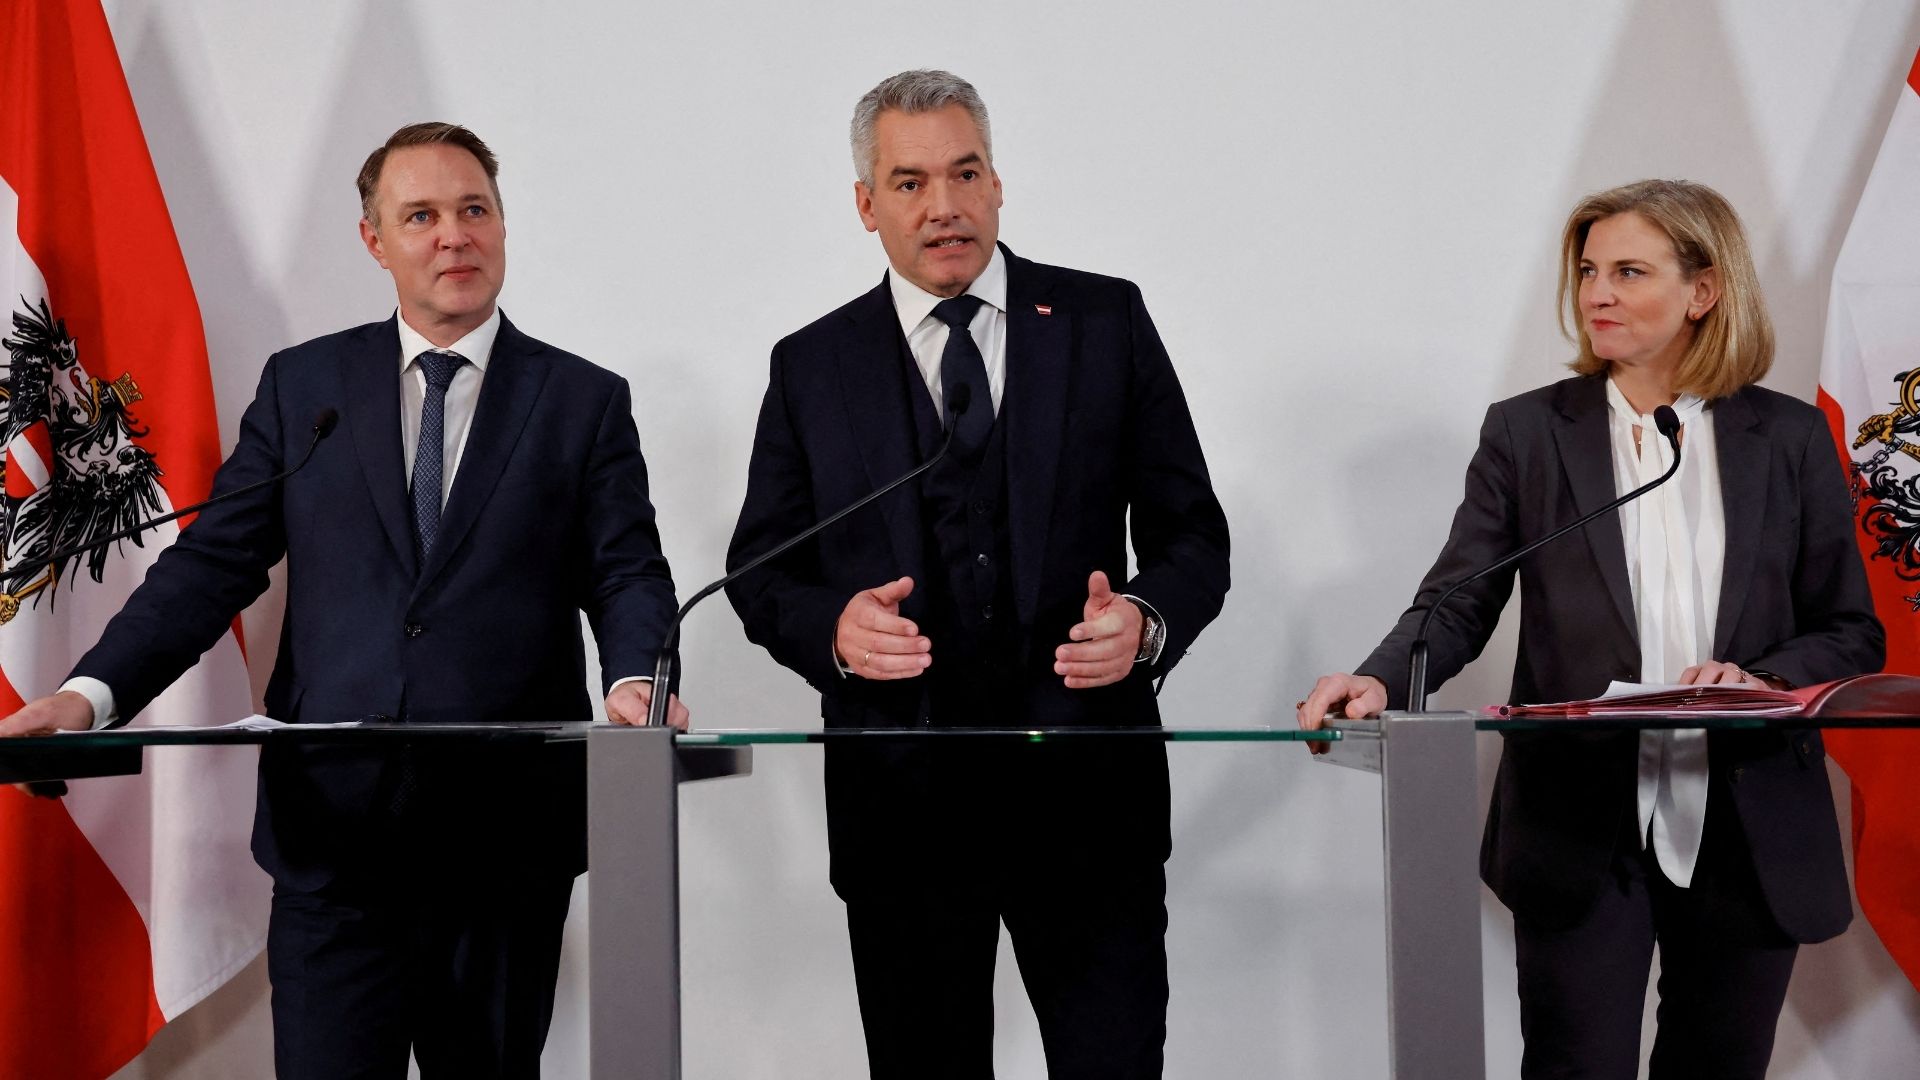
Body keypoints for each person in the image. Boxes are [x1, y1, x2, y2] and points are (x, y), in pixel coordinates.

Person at [0, 122, 686, 1079]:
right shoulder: (305, 390)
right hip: (334, 847)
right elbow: (211, 569)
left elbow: (626, 573)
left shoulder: (582, 401)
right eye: (423, 216)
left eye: (474, 209)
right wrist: (88, 697)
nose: (455, 235)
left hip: (502, 850)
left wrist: (634, 681)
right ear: (375, 241)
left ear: (502, 225)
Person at [1298, 179, 1883, 1078]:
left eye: (1629, 271)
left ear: (1703, 290)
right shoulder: (1531, 433)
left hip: (1749, 820)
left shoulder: (1793, 438)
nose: (1597, 294)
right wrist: (1383, 677)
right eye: (1587, 271)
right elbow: (1462, 593)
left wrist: (1763, 680)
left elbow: (1850, 630)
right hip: (1581, 822)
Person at [725, 70, 1229, 1079]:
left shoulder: (1102, 322)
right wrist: (834, 631)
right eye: (909, 183)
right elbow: (759, 573)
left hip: (1091, 802)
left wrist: (1143, 618)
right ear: (867, 205)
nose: (943, 206)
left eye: (965, 174)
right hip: (903, 816)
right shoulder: (811, 365)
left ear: (999, 185)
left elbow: (1193, 538)